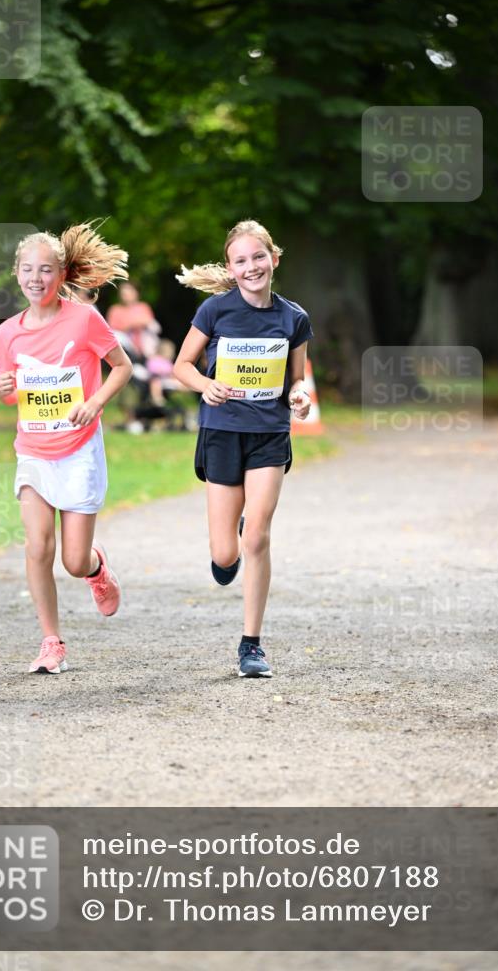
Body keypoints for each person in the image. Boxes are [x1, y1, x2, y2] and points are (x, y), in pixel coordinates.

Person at [173, 219, 313, 678]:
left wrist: (299, 396)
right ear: (231, 269)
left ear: (274, 259)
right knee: (225, 553)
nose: (251, 266)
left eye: (258, 257)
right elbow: (182, 366)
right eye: (241, 260)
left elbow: (297, 378)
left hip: (269, 434)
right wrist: (206, 385)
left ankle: (251, 644)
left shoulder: (294, 318)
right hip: (222, 432)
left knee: (257, 536)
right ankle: (227, 547)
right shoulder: (215, 311)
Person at [0, 223, 133, 675]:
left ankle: (96, 570)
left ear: (61, 274)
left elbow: (122, 367)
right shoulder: (7, 333)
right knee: (37, 546)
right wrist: (5, 387)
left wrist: (94, 403)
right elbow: (11, 394)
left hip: (77, 450)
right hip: (33, 450)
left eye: (46, 269)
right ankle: (51, 642)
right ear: (17, 274)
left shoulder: (83, 319)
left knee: (73, 560)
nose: (37, 278)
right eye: (28, 269)